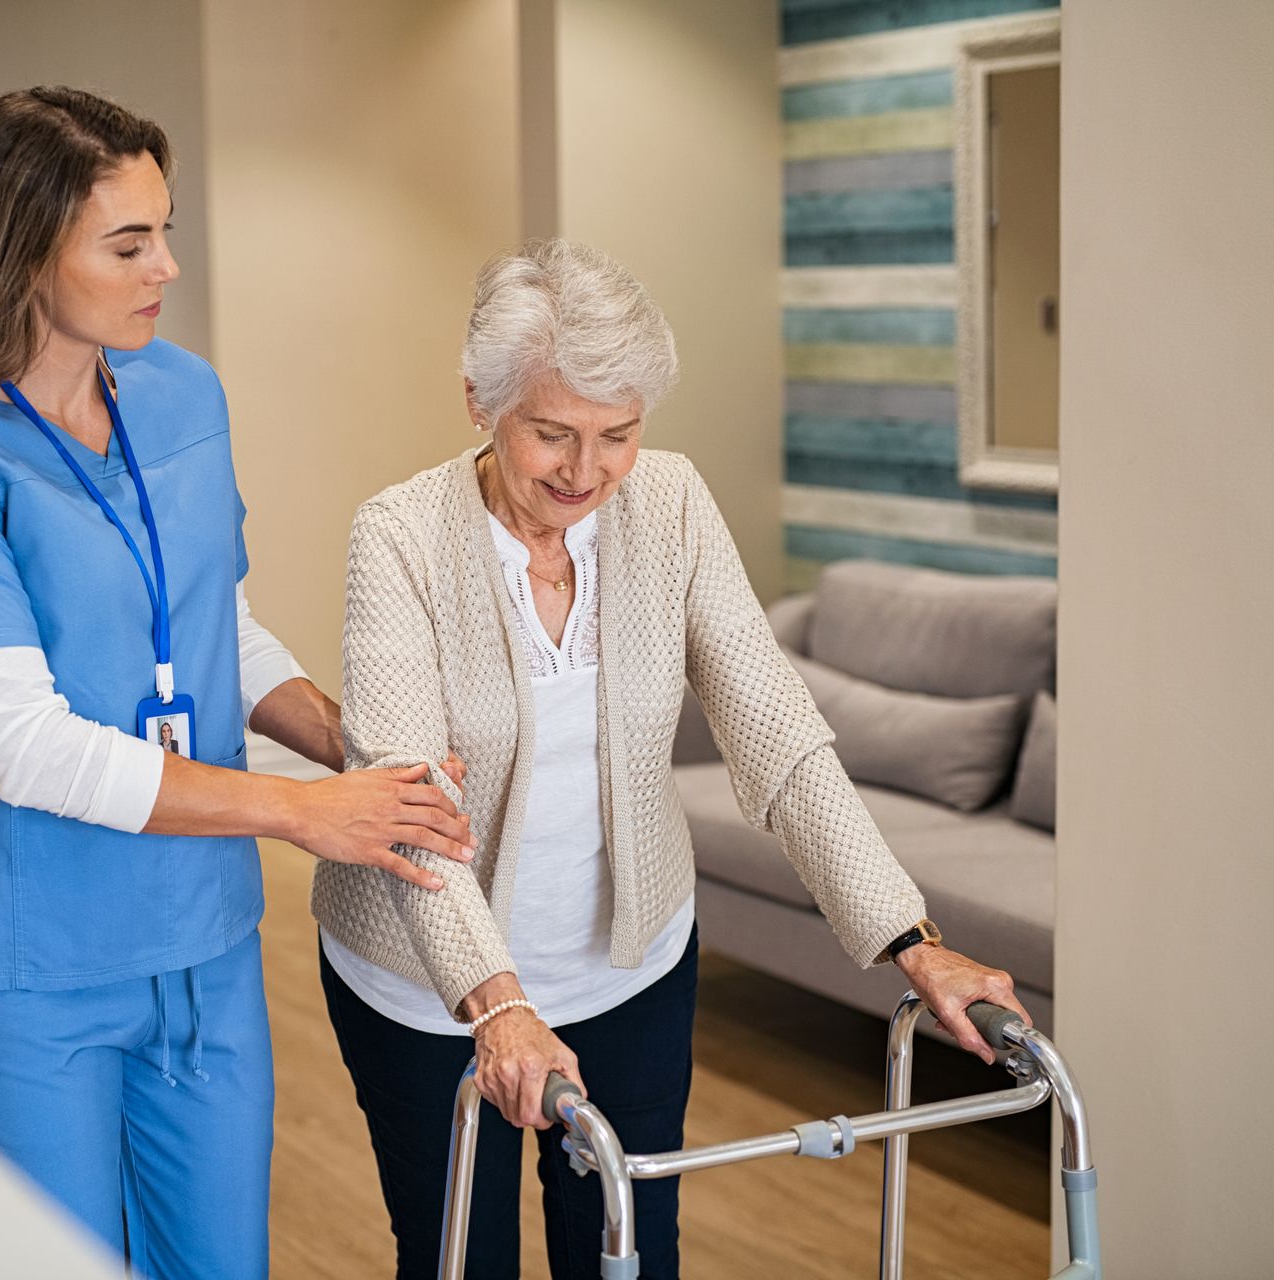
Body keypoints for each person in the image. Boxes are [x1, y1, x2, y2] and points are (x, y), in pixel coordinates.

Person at [312, 239, 1028, 1279]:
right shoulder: (401, 536)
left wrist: (914, 940)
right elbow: (413, 803)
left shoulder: (674, 505)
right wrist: (500, 1002)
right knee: (462, 1259)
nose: (586, 471)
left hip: (628, 964)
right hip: (428, 985)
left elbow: (778, 733)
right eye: (551, 432)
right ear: (479, 401)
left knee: (631, 1256)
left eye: (619, 434)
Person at [0, 87, 473, 1278]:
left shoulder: (184, 391)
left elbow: (211, 623)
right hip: (35, 960)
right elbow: (27, 744)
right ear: (23, 248)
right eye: (129, 242)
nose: (167, 267)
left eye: (166, 230)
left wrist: (346, 743)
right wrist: (303, 809)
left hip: (203, 940)